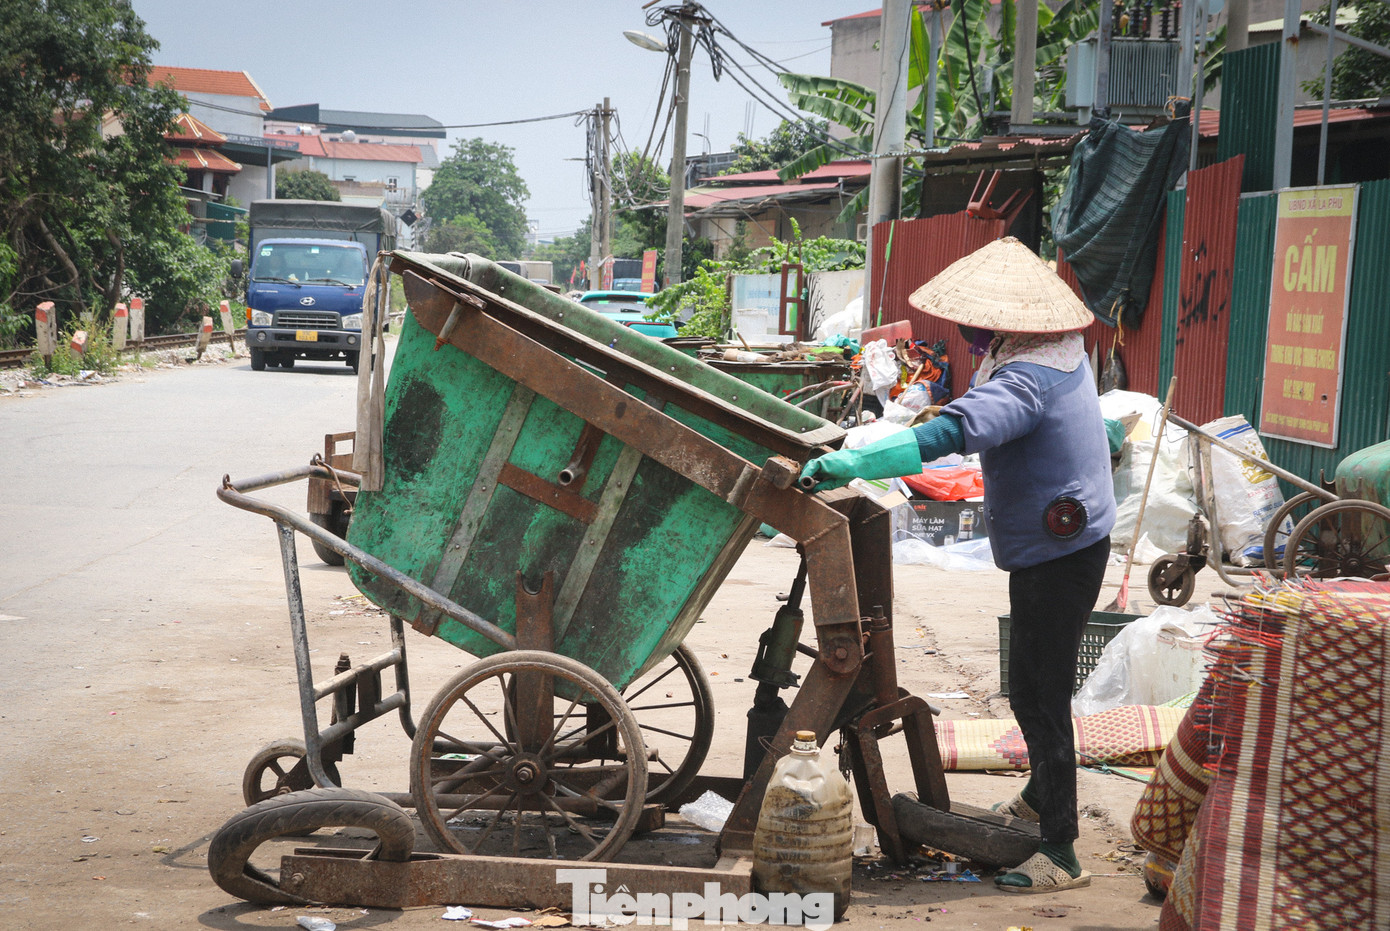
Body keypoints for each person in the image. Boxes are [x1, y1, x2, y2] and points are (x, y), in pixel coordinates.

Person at [800, 237, 1115, 894]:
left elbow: (955, 432)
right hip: (1062, 537)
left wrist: (857, 461)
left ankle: (1060, 851)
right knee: (1031, 685)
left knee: (1041, 696)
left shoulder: (1030, 377)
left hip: (1061, 552)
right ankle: (1039, 797)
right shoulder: (1054, 350)